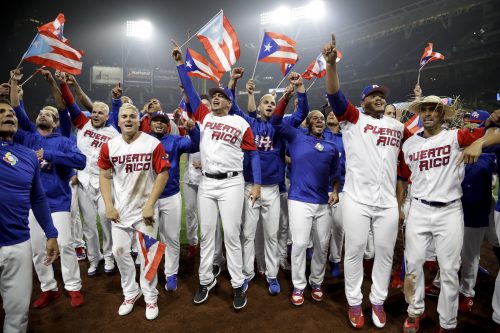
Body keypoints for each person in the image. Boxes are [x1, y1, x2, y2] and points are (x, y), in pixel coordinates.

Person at [323, 34, 412, 329]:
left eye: (382, 95)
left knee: (386, 253)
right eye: (373, 94)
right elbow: (335, 96)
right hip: (357, 200)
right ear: (363, 101)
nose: (379, 97)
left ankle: (377, 301)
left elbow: (421, 145)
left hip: (387, 202)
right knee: (355, 251)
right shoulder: (352, 119)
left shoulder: (397, 126)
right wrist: (331, 64)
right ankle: (353, 302)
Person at [398, 97, 500, 332]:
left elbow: (496, 135)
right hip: (419, 209)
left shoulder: (456, 136)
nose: (428, 113)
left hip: (450, 210)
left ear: (442, 114)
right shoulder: (409, 145)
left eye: (434, 109)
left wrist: (481, 142)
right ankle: (415, 311)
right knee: (413, 264)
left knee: (450, 270)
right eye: (424, 109)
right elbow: (405, 176)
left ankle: (448, 322)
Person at [172, 42, 261, 310]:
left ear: (230, 101)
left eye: (220, 96)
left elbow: (254, 154)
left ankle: (236, 284)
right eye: (213, 96)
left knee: (232, 235)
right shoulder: (205, 117)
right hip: (208, 182)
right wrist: (179, 65)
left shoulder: (240, 123)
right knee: (207, 233)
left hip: (233, 182)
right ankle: (206, 280)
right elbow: (189, 90)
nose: (215, 98)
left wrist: (255, 184)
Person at [228, 68, 309, 295]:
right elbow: (232, 107)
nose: (270, 104)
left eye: (273, 102)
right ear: (260, 106)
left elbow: (302, 112)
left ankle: (272, 275)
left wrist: (300, 90)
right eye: (266, 102)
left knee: (272, 234)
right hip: (249, 186)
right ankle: (247, 274)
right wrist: (233, 82)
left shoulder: (281, 125)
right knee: (248, 234)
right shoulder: (249, 123)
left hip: (273, 188)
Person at [10, 69, 86, 309]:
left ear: (55, 123)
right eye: (41, 112)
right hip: (32, 202)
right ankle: (49, 288)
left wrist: (51, 154)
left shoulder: (64, 140)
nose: (44, 114)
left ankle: (73, 287)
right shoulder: (27, 136)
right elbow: (16, 108)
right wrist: (14, 83)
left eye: (49, 113)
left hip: (58, 201)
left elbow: (81, 161)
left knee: (64, 243)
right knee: (37, 248)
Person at [98, 102, 170, 320]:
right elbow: (104, 175)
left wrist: (150, 204)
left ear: (139, 120)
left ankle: (150, 296)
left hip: (145, 212)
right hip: (120, 212)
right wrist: (109, 206)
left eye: (132, 116)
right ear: (118, 121)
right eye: (124, 117)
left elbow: (163, 173)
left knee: (147, 257)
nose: (128, 120)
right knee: (120, 253)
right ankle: (130, 292)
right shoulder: (109, 146)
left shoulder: (152, 143)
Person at [271, 91, 340, 305]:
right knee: (300, 244)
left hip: (323, 203)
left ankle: (316, 281)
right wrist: (289, 97)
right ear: (308, 123)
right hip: (299, 200)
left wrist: (335, 191)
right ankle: (299, 286)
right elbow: (275, 121)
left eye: (322, 118)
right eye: (315, 118)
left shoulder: (331, 146)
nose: (320, 121)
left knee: (322, 245)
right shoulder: (296, 136)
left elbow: (336, 175)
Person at [0, 97, 59, 333]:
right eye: (1, 111)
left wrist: (51, 233)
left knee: (17, 313)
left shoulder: (28, 156)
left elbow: (38, 198)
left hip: (18, 243)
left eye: (11, 112)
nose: (9, 114)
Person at [59, 75, 119, 276]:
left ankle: (109, 255)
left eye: (100, 113)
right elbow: (70, 102)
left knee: (105, 219)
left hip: (105, 183)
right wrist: (64, 84)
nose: (96, 115)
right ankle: (94, 258)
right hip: (83, 182)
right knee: (88, 224)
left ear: (107, 116)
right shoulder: (83, 123)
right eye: (94, 112)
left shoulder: (114, 133)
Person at [149, 110, 200, 292]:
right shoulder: (143, 140)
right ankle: (150, 273)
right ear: (150, 123)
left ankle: (171, 273)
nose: (160, 123)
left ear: (168, 125)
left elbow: (196, 145)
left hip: (171, 196)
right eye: (156, 120)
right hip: (149, 200)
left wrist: (193, 130)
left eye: (163, 121)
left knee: (171, 237)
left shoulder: (175, 140)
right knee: (147, 239)